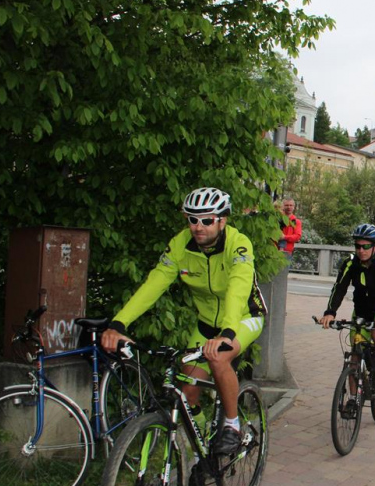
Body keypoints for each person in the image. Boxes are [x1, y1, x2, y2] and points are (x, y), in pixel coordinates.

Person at [101, 187, 266, 460]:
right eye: (192, 219)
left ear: (222, 220)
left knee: (219, 359)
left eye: (207, 220)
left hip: (244, 318)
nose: (198, 227)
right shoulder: (180, 245)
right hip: (205, 325)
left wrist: (227, 332)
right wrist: (119, 323)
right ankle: (204, 455)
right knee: (187, 394)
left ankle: (232, 425)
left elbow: (238, 288)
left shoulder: (239, 244)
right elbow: (154, 284)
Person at [319, 224, 375, 380]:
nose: (361, 250)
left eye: (366, 246)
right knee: (354, 358)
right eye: (357, 246)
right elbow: (339, 288)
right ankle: (352, 401)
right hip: (362, 309)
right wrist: (330, 312)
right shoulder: (350, 263)